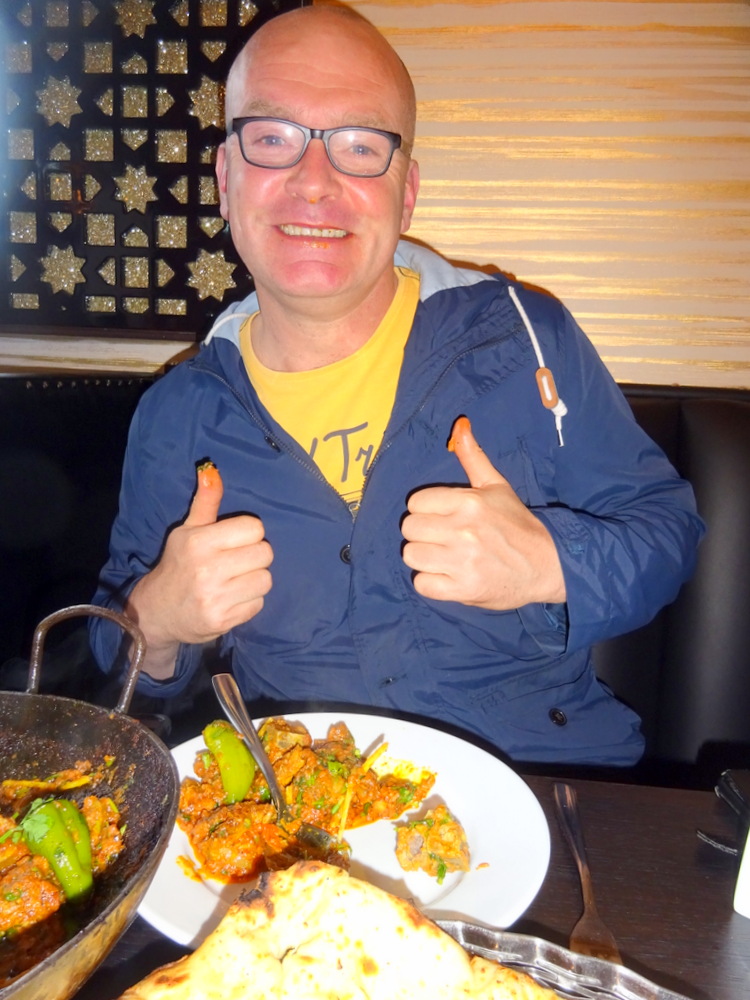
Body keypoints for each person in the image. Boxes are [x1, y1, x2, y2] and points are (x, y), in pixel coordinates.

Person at [90, 1, 703, 765]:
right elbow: (119, 656)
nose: (314, 184)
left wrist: (549, 562)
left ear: (405, 191)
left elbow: (668, 532)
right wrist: (156, 619)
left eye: (358, 146)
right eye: (273, 139)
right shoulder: (175, 412)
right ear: (225, 176)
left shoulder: (525, 335)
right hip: (296, 802)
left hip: (545, 780)